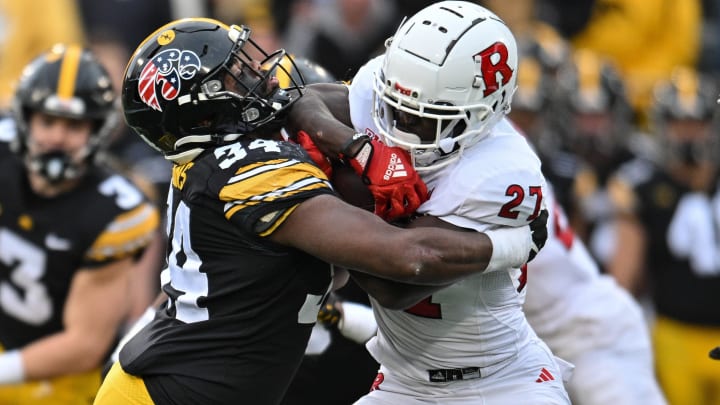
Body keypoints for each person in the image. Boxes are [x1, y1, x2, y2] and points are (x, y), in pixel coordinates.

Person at [94, 17, 548, 405]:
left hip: (180, 382)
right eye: (236, 73)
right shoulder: (252, 172)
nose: (258, 72)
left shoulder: (220, 160)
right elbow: (402, 261)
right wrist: (512, 243)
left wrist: (353, 147)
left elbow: (297, 96)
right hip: (169, 394)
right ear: (206, 105)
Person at [288, 2, 570, 403]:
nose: (399, 127)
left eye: (424, 119)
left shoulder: (501, 171)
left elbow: (397, 279)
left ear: (481, 114)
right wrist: (357, 148)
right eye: (394, 109)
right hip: (404, 384)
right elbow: (302, 100)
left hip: (501, 384)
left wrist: (335, 188)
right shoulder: (388, 88)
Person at [0, 44, 160, 404]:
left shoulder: (117, 211)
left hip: (54, 379)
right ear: (25, 119)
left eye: (73, 125)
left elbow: (85, 344)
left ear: (98, 130)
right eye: (47, 121)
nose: (57, 137)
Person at [607, 66, 720, 405]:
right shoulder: (641, 186)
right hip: (674, 336)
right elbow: (623, 275)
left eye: (696, 123)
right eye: (678, 123)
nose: (688, 134)